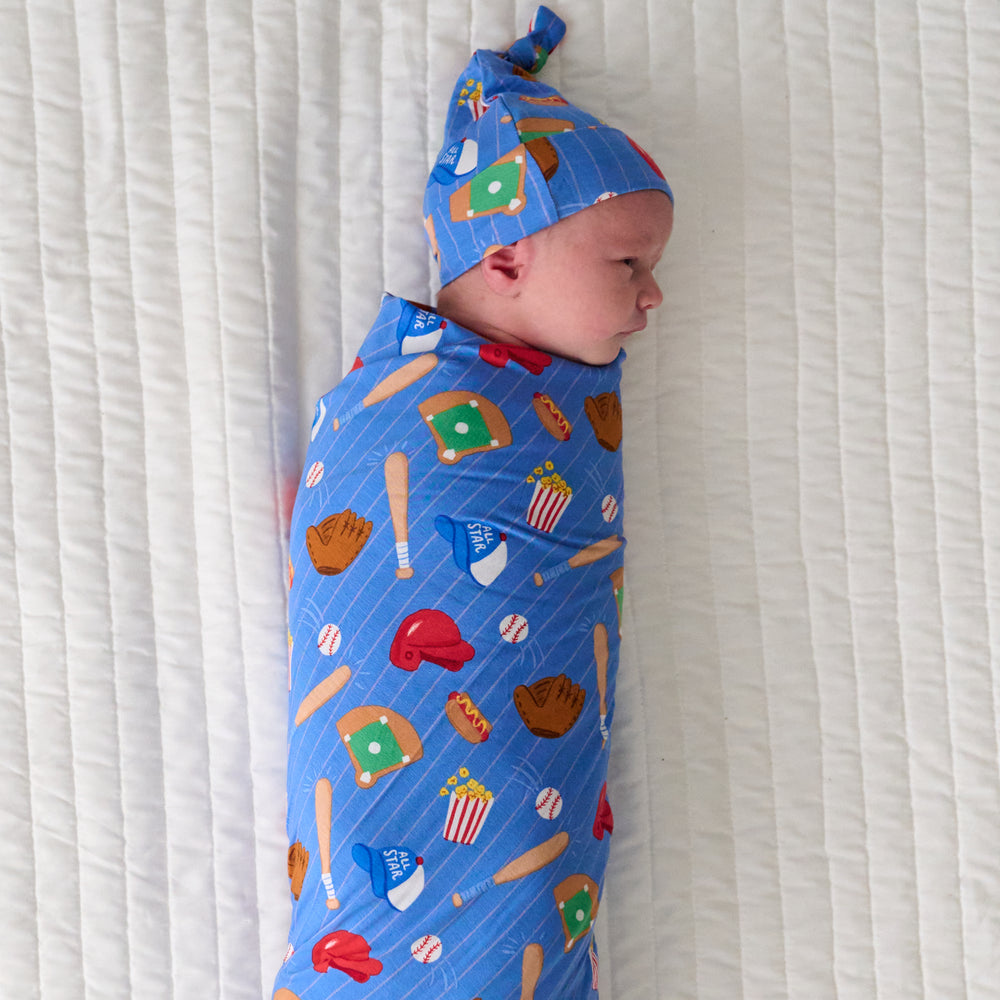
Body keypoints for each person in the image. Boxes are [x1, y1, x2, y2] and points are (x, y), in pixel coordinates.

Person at [273, 7, 673, 998]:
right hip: (418, 781)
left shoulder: (567, 400)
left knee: (527, 895)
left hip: (532, 813)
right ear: (506, 258)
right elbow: (347, 492)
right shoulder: (403, 397)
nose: (653, 295)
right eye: (630, 263)